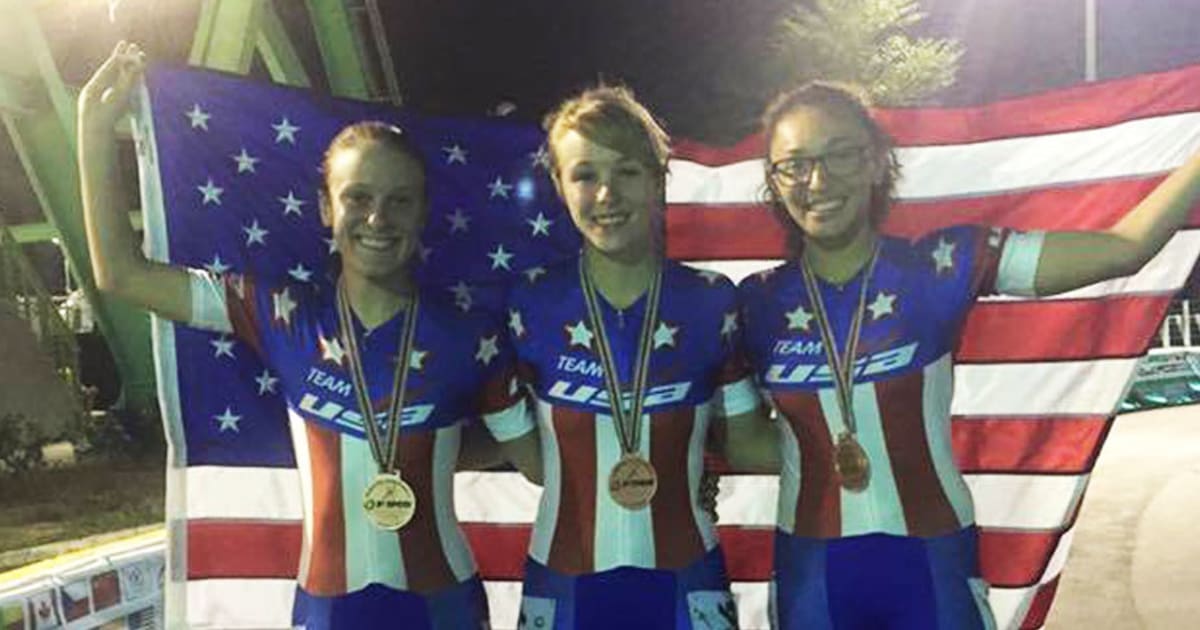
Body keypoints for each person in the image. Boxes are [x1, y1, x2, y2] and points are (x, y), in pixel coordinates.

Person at [77, 41, 535, 629]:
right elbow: (122, 273)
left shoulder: (473, 335)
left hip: (444, 608)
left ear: (423, 214)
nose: (378, 219)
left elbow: (539, 463)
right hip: (327, 609)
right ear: (325, 208)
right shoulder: (279, 310)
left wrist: (434, 451)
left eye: (400, 202)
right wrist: (94, 131)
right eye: (358, 199)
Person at [737, 80, 1200, 630]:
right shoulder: (753, 304)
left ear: (876, 162)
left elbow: (1125, 249)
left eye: (840, 154)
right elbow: (740, 438)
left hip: (933, 566)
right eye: (795, 164)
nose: (818, 180)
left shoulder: (943, 265)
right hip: (811, 575)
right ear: (774, 180)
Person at [494, 85, 775, 630]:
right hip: (564, 586)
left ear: (658, 179)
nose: (606, 194)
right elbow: (530, 459)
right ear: (559, 185)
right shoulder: (527, 303)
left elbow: (744, 440)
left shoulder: (711, 301)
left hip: (686, 584)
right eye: (584, 175)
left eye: (626, 171)